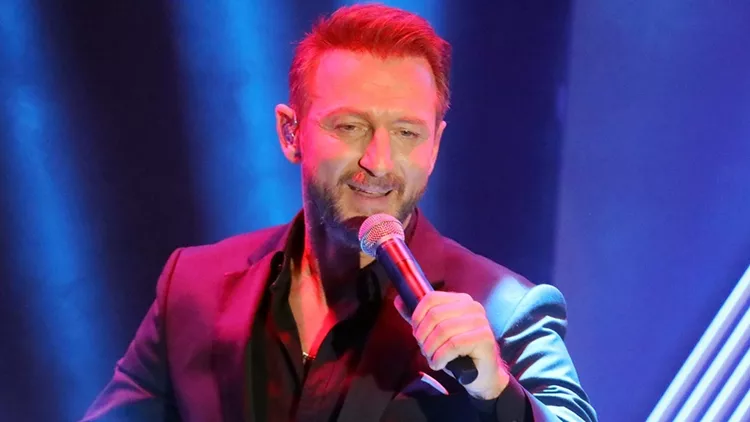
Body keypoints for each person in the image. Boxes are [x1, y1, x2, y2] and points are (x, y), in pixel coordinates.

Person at [83, 4, 597, 422]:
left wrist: (497, 389)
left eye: (407, 133)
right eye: (349, 127)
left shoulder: (505, 309)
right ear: (291, 133)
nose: (379, 161)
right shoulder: (193, 285)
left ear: (435, 145)